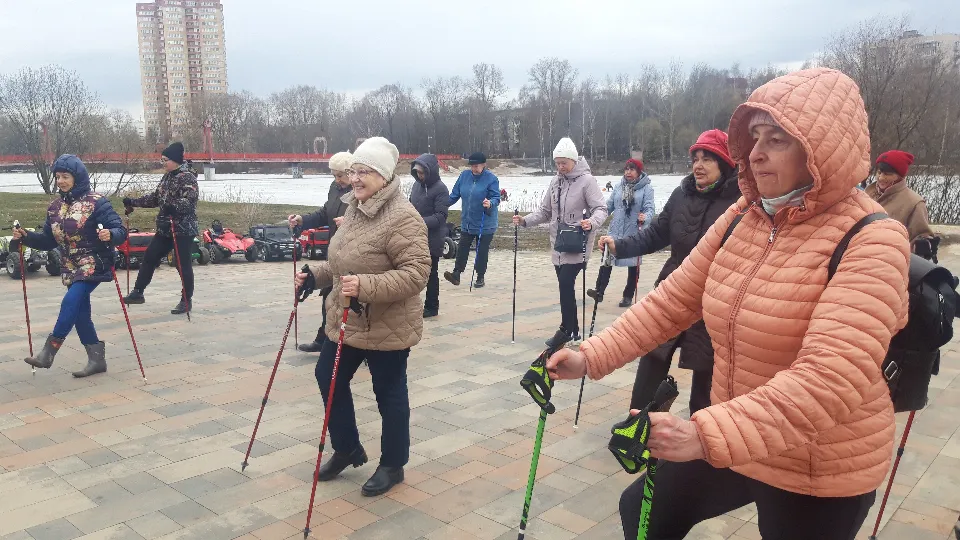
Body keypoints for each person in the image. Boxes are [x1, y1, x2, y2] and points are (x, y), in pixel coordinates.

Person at [546, 68, 910, 540]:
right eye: (755, 136)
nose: (756, 152)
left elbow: (831, 378)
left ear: (823, 150)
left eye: (777, 139)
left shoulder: (874, 238)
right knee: (643, 512)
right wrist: (592, 355)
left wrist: (702, 434)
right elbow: (673, 300)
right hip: (737, 432)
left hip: (816, 461)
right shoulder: (746, 216)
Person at [295, 137, 430, 496]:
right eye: (353, 171)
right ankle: (347, 447)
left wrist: (366, 286)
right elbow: (343, 265)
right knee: (328, 376)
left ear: (383, 176)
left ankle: (393, 464)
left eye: (363, 172)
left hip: (388, 324)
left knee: (389, 394)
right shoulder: (355, 208)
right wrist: (315, 274)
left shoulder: (404, 217)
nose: (354, 179)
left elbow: (417, 274)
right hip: (348, 319)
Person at [598, 130, 741, 414]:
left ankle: (701, 446)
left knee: (707, 378)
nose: (698, 165)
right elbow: (655, 234)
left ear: (724, 163)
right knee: (652, 358)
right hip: (673, 292)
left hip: (714, 303)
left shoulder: (741, 203)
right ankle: (638, 429)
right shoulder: (681, 195)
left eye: (707, 159)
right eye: (695, 159)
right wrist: (620, 246)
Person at [13, 155, 127, 378]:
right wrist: (26, 236)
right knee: (81, 313)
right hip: (69, 265)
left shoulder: (97, 202)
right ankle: (97, 360)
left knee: (71, 301)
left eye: (66, 176)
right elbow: (48, 240)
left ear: (78, 177)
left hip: (94, 262)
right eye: (57, 177)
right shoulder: (55, 208)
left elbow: (120, 230)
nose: (61, 181)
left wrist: (110, 234)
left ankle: (48, 352)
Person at [513, 137, 608, 347]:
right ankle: (573, 330)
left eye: (564, 162)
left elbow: (601, 209)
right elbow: (545, 211)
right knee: (565, 287)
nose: (560, 167)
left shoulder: (587, 181)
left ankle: (565, 330)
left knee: (566, 283)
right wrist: (525, 221)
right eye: (557, 163)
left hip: (578, 244)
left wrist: (591, 223)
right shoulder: (555, 182)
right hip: (558, 245)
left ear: (574, 160)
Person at [122, 142, 199, 315]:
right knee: (150, 257)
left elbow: (188, 202)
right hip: (165, 228)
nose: (163, 163)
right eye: (162, 160)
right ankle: (138, 292)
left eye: (165, 160)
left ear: (175, 160)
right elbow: (156, 198)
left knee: (182, 264)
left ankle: (186, 300)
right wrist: (133, 202)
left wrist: (174, 206)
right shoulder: (167, 176)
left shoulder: (187, 177)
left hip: (182, 229)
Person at [288, 151, 354, 352]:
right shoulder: (335, 189)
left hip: (354, 252)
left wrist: (350, 222)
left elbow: (372, 220)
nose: (338, 180)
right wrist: (303, 220)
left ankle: (356, 347)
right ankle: (324, 338)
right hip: (334, 250)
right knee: (328, 295)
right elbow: (325, 213)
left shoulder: (361, 190)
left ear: (351, 173)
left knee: (348, 300)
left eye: (341, 175)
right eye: (334, 175)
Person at [592, 158, 655, 308]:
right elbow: (609, 206)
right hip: (616, 230)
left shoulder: (646, 188)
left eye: (632, 169)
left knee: (633, 266)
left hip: (634, 231)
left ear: (639, 172)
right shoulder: (619, 186)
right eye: (626, 169)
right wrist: (596, 215)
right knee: (606, 260)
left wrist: (645, 217)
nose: (628, 172)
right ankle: (598, 291)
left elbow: (650, 209)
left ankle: (628, 296)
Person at [865, 150, 937, 259]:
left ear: (900, 176)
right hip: (858, 255)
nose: (881, 178)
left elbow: (920, 238)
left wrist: (921, 246)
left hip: (889, 262)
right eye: (879, 172)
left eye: (887, 174)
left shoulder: (914, 203)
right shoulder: (867, 193)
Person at [444, 152, 499, 288]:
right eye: (472, 166)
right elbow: (454, 195)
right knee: (462, 247)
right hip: (467, 221)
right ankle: (456, 274)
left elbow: (496, 197)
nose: (474, 169)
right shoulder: (464, 176)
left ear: (484, 165)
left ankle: (480, 277)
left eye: (476, 166)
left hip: (485, 223)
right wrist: (442, 205)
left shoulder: (491, 179)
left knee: (481, 250)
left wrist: (490, 202)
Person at [410, 153, 451, 318]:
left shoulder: (441, 189)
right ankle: (412, 304)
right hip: (415, 236)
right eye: (417, 172)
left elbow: (441, 216)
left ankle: (432, 307)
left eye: (422, 172)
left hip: (433, 237)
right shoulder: (416, 186)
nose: (420, 176)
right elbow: (410, 205)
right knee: (412, 272)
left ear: (430, 171)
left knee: (431, 273)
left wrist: (419, 221)